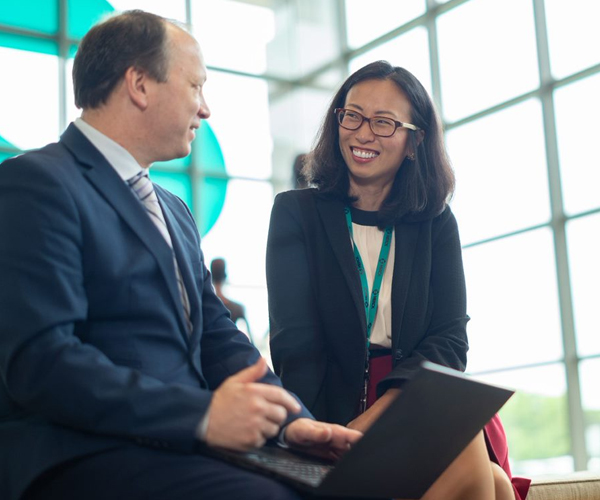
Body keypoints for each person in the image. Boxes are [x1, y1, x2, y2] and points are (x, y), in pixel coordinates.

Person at [0, 10, 362, 500]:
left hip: (180, 448)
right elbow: (41, 363)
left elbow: (216, 336)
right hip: (83, 453)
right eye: (196, 86)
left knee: (364, 486)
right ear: (140, 85)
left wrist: (289, 422)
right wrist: (204, 416)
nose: (205, 108)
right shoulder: (35, 184)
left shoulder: (172, 209)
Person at [266, 61, 531, 500]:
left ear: (414, 141)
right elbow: (296, 346)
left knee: (461, 444)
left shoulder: (436, 221)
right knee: (495, 486)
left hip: (415, 395)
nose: (363, 133)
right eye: (352, 115)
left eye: (384, 123)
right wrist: (322, 434)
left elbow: (449, 340)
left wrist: (378, 418)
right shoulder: (297, 213)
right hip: (329, 407)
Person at [210, 257, 252, 341]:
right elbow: (250, 341)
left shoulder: (205, 307)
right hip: (231, 352)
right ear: (225, 276)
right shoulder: (238, 308)